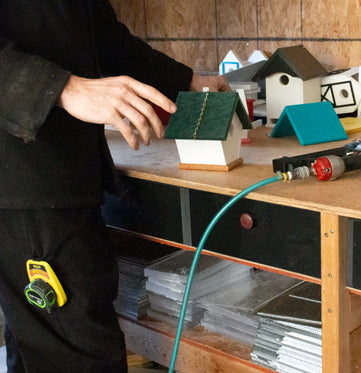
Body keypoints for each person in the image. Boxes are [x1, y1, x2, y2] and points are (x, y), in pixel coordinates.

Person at [0, 1, 229, 371]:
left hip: (60, 181)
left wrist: (186, 80)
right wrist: (65, 88)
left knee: (36, 344)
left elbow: (104, 39)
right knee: (78, 355)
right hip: (27, 183)